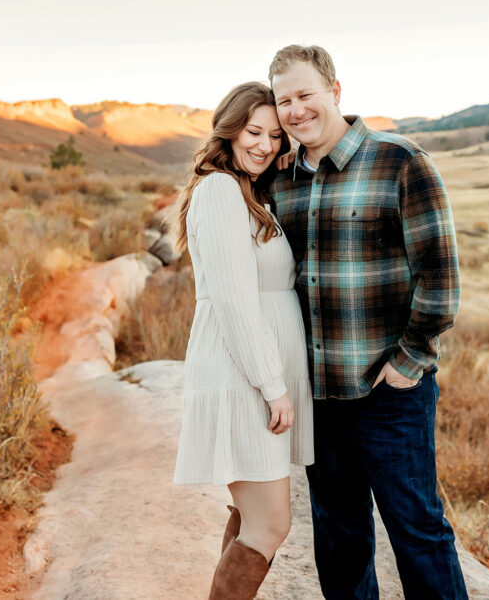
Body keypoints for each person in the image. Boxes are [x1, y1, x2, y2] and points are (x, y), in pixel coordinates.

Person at [268, 45, 467, 599]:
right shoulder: (280, 180)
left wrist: (409, 361)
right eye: (284, 100)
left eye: (305, 94)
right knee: (339, 535)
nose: (295, 110)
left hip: (388, 390)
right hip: (317, 395)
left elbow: (441, 276)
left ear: (335, 90)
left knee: (418, 532)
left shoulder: (400, 161)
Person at [172, 82, 313, 600]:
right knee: (270, 525)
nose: (264, 145)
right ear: (228, 131)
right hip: (242, 378)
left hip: (250, 375)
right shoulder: (219, 192)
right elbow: (234, 301)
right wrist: (272, 385)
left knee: (254, 517)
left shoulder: (247, 193)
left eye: (275, 136)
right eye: (253, 132)